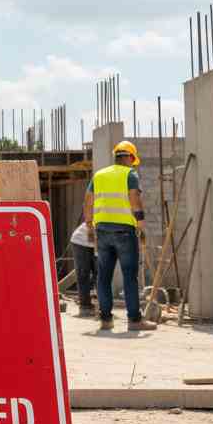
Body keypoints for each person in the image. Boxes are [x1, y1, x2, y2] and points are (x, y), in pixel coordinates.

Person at [83, 140, 157, 332]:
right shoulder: (129, 174)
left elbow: (88, 201)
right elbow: (135, 199)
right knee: (129, 276)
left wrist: (90, 226)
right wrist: (141, 225)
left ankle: (106, 320)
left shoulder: (99, 175)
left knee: (103, 277)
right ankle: (134, 320)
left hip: (102, 232)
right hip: (125, 232)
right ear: (130, 158)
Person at [69, 220, 97, 316]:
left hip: (96, 242)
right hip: (80, 241)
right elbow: (95, 238)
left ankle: (103, 308)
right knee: (83, 274)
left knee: (100, 275)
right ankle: (85, 306)